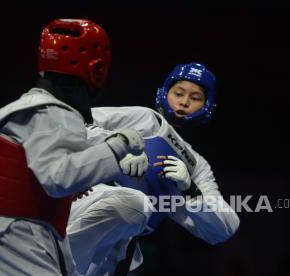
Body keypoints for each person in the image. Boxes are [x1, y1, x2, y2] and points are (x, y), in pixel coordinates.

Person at [0, 18, 148, 276]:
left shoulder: (32, 109)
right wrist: (118, 147)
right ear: (97, 69)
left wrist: (113, 156)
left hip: (15, 231)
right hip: (10, 233)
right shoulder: (53, 114)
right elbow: (59, 178)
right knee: (131, 204)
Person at [67, 63, 240, 275]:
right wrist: (116, 148)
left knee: (136, 211)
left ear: (207, 105)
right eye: (178, 93)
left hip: (119, 247)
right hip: (84, 206)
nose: (184, 102)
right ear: (165, 93)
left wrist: (190, 190)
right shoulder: (147, 118)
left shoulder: (196, 166)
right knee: (135, 205)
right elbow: (71, 123)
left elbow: (225, 229)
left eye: (195, 98)